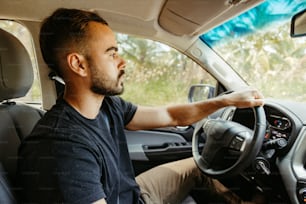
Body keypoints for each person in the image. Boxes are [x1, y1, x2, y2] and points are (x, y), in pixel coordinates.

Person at [17, 8, 264, 204]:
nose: (122, 62)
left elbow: (169, 115)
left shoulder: (107, 106)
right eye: (112, 53)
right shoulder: (61, 147)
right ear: (78, 64)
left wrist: (226, 100)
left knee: (198, 167)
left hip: (134, 195)